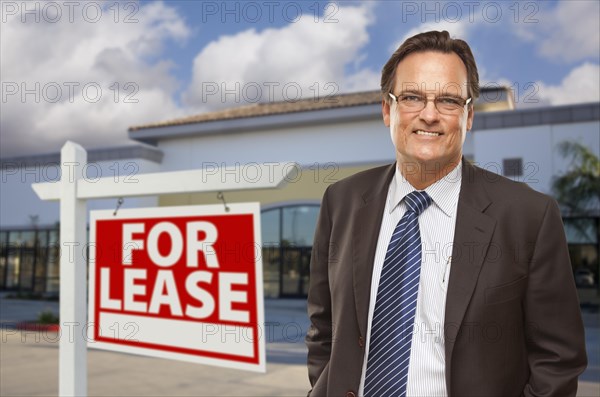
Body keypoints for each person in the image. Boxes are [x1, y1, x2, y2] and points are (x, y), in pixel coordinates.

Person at [305, 30, 587, 397]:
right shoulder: (340, 200)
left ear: (469, 116)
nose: (429, 115)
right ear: (387, 110)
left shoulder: (529, 216)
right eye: (411, 97)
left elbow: (558, 359)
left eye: (449, 101)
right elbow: (322, 327)